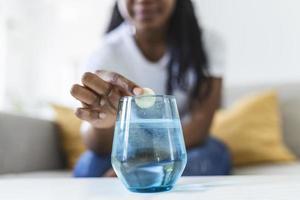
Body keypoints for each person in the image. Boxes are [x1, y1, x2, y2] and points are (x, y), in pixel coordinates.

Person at [70, 0, 231, 177]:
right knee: (89, 167)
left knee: (205, 158)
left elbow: (200, 125)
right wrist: (105, 123)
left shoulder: (208, 43)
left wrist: (144, 162)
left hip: (185, 144)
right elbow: (97, 146)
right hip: (125, 145)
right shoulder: (103, 53)